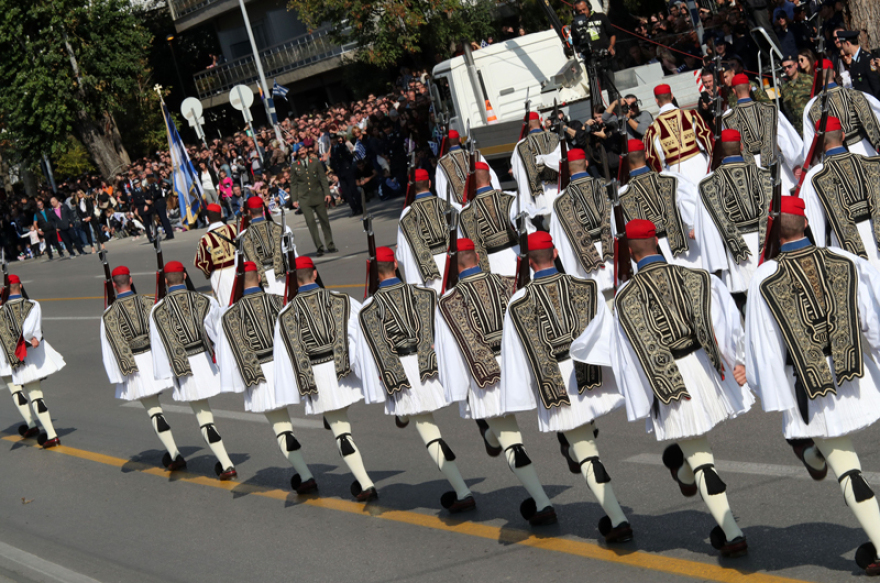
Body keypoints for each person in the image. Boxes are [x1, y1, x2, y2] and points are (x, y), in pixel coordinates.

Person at [574, 218, 752, 557]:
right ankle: (684, 474)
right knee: (696, 448)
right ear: (656, 241)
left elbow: (624, 357)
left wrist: (641, 396)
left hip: (668, 380)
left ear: (630, 252)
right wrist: (737, 360)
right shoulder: (698, 277)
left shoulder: (624, 299)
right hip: (704, 367)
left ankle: (733, 533)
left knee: (701, 456)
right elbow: (725, 323)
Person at [745, 197, 880, 576]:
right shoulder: (846, 260)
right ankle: (810, 452)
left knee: (845, 465)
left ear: (775, 231)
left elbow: (763, 345)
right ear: (805, 224)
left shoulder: (765, 277)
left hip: (808, 384)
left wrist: (770, 392)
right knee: (837, 454)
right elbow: (873, 322)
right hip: (854, 375)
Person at [499, 231, 633, 543]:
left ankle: (618, 520)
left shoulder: (517, 302)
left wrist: (522, 395)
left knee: (586, 453)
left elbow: (516, 356)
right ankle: (580, 445)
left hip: (555, 384)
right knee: (584, 440)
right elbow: (606, 334)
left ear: (528, 262)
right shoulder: (587, 286)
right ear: (556, 253)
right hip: (587, 373)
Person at [436, 238, 557, 526]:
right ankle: (491, 435)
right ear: (478, 257)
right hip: (516, 365)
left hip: (485, 374)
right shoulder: (508, 283)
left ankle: (542, 503)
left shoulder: (448, 301)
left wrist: (460, 392)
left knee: (511, 441)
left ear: (452, 264)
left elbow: (450, 352)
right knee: (509, 432)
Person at [357, 247, 476, 514]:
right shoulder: (425, 294)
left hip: (402, 372)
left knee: (428, 430)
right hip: (429, 364)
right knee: (435, 421)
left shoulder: (368, 307)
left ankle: (463, 491)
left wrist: (381, 389)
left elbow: (370, 354)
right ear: (395, 266)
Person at [273, 256, 378, 502]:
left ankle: (366, 483)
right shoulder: (342, 299)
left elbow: (285, 357)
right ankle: (362, 479)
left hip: (318, 378)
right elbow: (362, 330)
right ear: (315, 273)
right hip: (344, 371)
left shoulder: (286, 313)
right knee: (340, 419)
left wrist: (295, 390)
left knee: (341, 432)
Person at [212, 261, 317, 494]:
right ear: (259, 277)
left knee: (281, 428)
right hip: (284, 369)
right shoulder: (279, 301)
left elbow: (227, 355)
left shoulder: (230, 314)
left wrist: (238, 382)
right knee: (288, 422)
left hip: (259, 374)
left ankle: (305, 475)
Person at [150, 261, 237, 481]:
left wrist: (164, 376)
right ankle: (225, 462)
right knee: (206, 415)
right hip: (206, 362)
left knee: (204, 418)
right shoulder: (205, 300)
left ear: (166, 281)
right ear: (185, 276)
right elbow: (218, 334)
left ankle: (226, 464)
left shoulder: (157, 310)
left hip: (185, 368)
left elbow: (159, 347)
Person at [100, 265, 186, 471]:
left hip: (136, 366)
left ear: (114, 285)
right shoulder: (149, 302)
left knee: (154, 411)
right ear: (130, 280)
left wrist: (118, 376)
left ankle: (175, 454)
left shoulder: (109, 313)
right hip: (156, 359)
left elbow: (109, 349)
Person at [695, 129, 773, 299]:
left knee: (751, 297)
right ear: (742, 146)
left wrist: (718, 263)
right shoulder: (765, 175)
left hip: (737, 249)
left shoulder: (707, 183)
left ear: (720, 150)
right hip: (767, 241)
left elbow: (708, 229)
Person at [801, 117, 880, 272]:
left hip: (846, 250)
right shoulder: (873, 163)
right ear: (843, 135)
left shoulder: (815, 176)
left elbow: (814, 226)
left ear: (819, 142)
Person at [616, 139, 704, 269]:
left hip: (648, 254)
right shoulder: (672, 178)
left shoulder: (621, 195)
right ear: (646, 155)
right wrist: (692, 225)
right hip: (685, 248)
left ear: (624, 161)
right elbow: (688, 202)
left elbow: (620, 230)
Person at [0, 275, 65, 448]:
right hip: (29, 355)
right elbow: (32, 331)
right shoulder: (33, 304)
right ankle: (51, 434)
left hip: (7, 357)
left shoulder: (1, 309)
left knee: (16, 392)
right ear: (20, 286)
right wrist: (30, 338)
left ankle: (31, 425)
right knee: (36, 396)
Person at [549, 148, 616, 302]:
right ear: (586, 163)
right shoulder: (608, 187)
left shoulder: (560, 201)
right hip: (614, 261)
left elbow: (560, 244)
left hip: (587, 270)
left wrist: (573, 277)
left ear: (567, 169)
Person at [721, 73, 804, 192]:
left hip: (749, 170)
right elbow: (785, 139)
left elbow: (727, 148)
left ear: (734, 91)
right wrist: (796, 163)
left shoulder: (727, 117)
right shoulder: (770, 109)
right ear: (749, 87)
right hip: (774, 165)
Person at [803, 59, 880, 159]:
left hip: (833, 157)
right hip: (863, 150)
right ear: (834, 74)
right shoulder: (856, 94)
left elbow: (810, 144)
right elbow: (877, 114)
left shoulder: (811, 106)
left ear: (816, 78)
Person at [456, 162, 519, 277]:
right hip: (517, 256)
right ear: (490, 177)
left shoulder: (465, 213)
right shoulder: (511, 199)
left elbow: (468, 247)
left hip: (492, 266)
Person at [643, 84, 714, 179]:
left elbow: (655, 159)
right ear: (672, 96)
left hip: (676, 171)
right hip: (700, 163)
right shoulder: (691, 115)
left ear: (656, 100)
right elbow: (708, 142)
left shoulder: (653, 128)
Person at [396, 169, 450, 294]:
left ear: (411, 187)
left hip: (428, 274)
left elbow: (402, 255)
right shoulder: (447, 205)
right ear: (429, 183)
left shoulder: (407, 214)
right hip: (451, 262)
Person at [237, 196, 294, 295]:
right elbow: (293, 255)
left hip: (261, 279)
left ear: (249, 212)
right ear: (263, 208)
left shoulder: (243, 236)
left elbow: (240, 265)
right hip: (283, 275)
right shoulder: (282, 228)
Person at [510, 112, 561, 220]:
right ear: (539, 122)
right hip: (559, 186)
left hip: (540, 191)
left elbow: (519, 173)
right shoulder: (555, 137)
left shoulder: (521, 145)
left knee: (550, 222)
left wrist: (527, 200)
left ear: (527, 125)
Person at [291, 144, 337, 256]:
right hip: (304, 198)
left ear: (306, 150)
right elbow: (293, 184)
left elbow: (323, 179)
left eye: (303, 149)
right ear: (297, 153)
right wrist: (294, 199)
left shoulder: (315, 162)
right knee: (311, 222)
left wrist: (327, 193)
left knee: (324, 221)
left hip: (318, 195)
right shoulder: (294, 166)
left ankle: (330, 245)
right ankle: (319, 247)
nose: (302, 152)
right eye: (299, 151)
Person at [435, 130, 500, 205]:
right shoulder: (476, 155)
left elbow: (443, 191)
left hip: (461, 207)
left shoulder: (442, 163)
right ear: (460, 139)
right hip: (484, 201)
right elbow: (490, 176)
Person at [194, 204, 238, 305]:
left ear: (207, 219)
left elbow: (202, 263)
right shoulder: (234, 228)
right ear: (221, 215)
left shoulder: (205, 239)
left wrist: (209, 273)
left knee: (227, 305)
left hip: (220, 277)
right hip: (239, 269)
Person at [836, 31, 880, 100]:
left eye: (842, 44)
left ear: (847, 43)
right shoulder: (854, 61)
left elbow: (876, 86)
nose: (842, 47)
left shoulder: (867, 59)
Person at [780, 54, 813, 135]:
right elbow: (787, 109)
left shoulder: (809, 80)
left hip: (813, 124)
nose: (787, 69)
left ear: (796, 65)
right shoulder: (784, 88)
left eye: (789, 66)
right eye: (784, 68)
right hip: (799, 130)